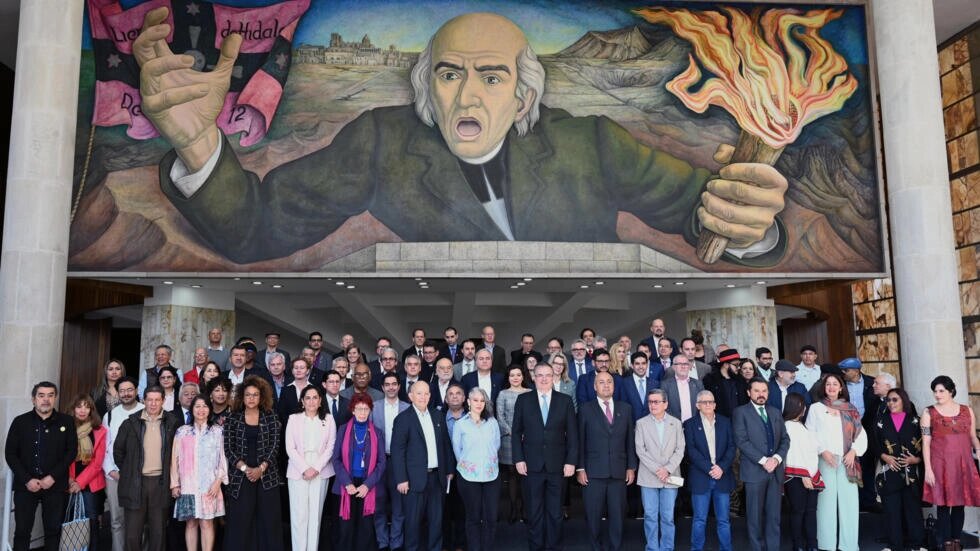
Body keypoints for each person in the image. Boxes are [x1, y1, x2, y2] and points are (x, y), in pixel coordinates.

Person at [512, 363, 578, 550]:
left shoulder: (564, 400)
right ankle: (536, 546)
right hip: (531, 465)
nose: (543, 378)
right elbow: (516, 432)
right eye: (539, 375)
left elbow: (573, 435)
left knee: (555, 512)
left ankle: (553, 546)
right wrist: (518, 458)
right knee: (534, 512)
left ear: (553, 376)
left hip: (558, 466)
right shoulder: (523, 400)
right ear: (533, 376)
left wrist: (571, 461)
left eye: (547, 375)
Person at [5, 382, 77, 551]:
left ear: (55, 398)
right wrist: (27, 479)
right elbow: (10, 454)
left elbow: (71, 452)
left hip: (55, 485)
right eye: (41, 395)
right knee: (22, 531)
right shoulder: (20, 422)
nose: (46, 399)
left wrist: (52, 477)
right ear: (33, 399)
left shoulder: (66, 421)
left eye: (50, 395)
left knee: (53, 530)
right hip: (26, 487)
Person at [114, 385, 181, 551]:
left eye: (157, 400)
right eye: (149, 400)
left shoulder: (172, 423)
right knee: (132, 533)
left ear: (163, 401)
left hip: (161, 483)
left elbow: (179, 454)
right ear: (143, 400)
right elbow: (118, 452)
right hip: (136, 483)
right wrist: (130, 472)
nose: (153, 404)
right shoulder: (130, 423)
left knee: (158, 532)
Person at [805, 373, 866, 551]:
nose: (831, 387)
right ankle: (826, 545)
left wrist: (853, 451)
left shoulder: (850, 409)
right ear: (824, 388)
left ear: (841, 388)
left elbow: (861, 434)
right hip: (825, 460)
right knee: (825, 504)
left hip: (848, 461)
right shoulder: (816, 408)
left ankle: (849, 545)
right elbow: (810, 434)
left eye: (835, 384)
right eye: (828, 384)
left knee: (849, 505)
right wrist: (822, 451)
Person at [577, 371, 637, 551]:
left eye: (609, 382)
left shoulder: (625, 408)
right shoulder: (585, 409)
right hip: (593, 472)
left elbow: (629, 441)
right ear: (595, 387)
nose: (606, 385)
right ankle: (596, 547)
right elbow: (579, 441)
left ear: (614, 385)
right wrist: (580, 468)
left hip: (619, 471)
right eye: (601, 382)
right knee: (593, 516)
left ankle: (615, 547)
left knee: (617, 516)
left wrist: (631, 467)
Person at [223, 376, 284, 551]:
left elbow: (275, 446)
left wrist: (261, 468)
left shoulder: (271, 415)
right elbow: (228, 448)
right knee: (241, 522)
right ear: (242, 396)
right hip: (241, 477)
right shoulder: (233, 417)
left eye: (255, 395)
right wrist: (245, 469)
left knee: (268, 521)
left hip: (267, 477)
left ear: (261, 396)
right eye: (248, 394)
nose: (251, 398)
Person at [391, 381, 454, 551]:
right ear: (411, 396)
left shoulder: (438, 416)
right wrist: (401, 479)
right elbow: (397, 451)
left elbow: (445, 445)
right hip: (413, 481)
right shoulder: (403, 419)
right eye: (419, 393)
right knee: (412, 522)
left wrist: (448, 470)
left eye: (426, 393)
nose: (423, 397)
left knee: (436, 521)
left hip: (437, 478)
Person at [921, 375, 980, 550]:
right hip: (940, 464)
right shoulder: (928, 412)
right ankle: (946, 544)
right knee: (943, 505)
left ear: (951, 391)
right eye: (935, 391)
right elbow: (926, 443)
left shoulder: (967, 410)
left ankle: (956, 542)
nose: (937, 394)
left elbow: (972, 438)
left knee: (960, 504)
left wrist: (978, 450)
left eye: (941, 391)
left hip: (963, 464)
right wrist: (928, 469)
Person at [733, 377, 789, 551]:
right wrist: (765, 461)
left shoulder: (775, 412)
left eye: (764, 391)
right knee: (754, 517)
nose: (761, 394)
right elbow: (742, 441)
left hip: (775, 472)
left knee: (774, 517)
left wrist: (777, 459)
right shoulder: (740, 412)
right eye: (756, 391)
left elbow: (785, 439)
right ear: (749, 393)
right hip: (754, 472)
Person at [170, 395, 227, 551]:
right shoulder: (182, 432)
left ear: (209, 409)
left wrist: (218, 482)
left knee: (207, 522)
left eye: (204, 406)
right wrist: (175, 484)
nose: (201, 410)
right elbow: (174, 459)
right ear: (192, 410)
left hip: (210, 485)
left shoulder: (217, 431)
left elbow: (223, 458)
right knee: (191, 522)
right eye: (197, 406)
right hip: (188, 485)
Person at [332, 394, 387, 550]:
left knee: (366, 529)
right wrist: (347, 483)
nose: (362, 412)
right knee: (345, 529)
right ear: (353, 410)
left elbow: (382, 462)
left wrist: (367, 485)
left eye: (366, 409)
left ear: (370, 410)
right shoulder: (343, 430)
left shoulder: (377, 432)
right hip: (346, 485)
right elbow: (336, 459)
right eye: (359, 409)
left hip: (368, 485)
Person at [285, 385, 337, 551]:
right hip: (298, 468)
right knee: (299, 515)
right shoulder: (293, 418)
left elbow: (331, 446)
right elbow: (289, 447)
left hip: (320, 470)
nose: (312, 401)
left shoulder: (328, 419)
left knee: (315, 516)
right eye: (308, 397)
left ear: (321, 401)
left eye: (315, 397)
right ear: (302, 401)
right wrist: (304, 468)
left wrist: (316, 468)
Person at [874, 388, 925, 551]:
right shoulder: (880, 421)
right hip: (889, 471)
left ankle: (917, 544)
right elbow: (874, 444)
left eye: (895, 400)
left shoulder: (916, 421)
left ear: (904, 400)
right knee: (891, 510)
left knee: (913, 509)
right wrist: (885, 456)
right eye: (888, 400)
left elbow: (926, 446)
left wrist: (916, 459)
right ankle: (894, 545)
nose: (890, 403)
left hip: (911, 472)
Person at [684, 390, 735, 551]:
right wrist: (710, 468)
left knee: (724, 520)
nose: (708, 405)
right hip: (701, 477)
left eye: (710, 402)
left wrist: (721, 467)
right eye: (704, 402)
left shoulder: (726, 422)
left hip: (722, 476)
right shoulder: (689, 424)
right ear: (697, 405)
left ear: (715, 404)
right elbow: (691, 451)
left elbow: (732, 447)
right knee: (699, 519)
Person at [452, 387, 502, 551]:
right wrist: (471, 465)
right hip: (468, 478)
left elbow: (496, 445)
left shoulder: (492, 422)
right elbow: (457, 450)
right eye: (475, 400)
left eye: (482, 400)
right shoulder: (460, 424)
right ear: (468, 402)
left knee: (491, 518)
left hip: (491, 476)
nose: (479, 403)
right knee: (473, 517)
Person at [103, 376, 143, 551]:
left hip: (141, 477)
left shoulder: (146, 410)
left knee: (142, 521)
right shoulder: (110, 415)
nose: (126, 394)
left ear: (136, 391)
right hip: (114, 476)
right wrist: (111, 470)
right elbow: (104, 447)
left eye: (129, 390)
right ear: (117, 393)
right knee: (117, 521)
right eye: (122, 391)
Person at [371, 372, 410, 551]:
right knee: (378, 504)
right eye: (387, 384)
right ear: (382, 387)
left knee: (398, 506)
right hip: (379, 462)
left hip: (399, 463)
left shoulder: (408, 408)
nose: (391, 387)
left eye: (394, 384)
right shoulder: (374, 407)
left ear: (399, 386)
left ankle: (396, 543)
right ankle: (382, 542)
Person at [66, 394, 108, 551]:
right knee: (70, 521)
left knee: (91, 523)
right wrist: (70, 479)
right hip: (68, 482)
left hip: (91, 484)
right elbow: (61, 457)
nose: (82, 410)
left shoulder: (100, 430)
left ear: (91, 410)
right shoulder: (65, 428)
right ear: (73, 409)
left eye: (86, 406)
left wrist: (79, 482)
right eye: (79, 406)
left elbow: (97, 463)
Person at [782, 393, 821, 551]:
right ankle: (798, 545)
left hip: (812, 475)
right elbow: (792, 453)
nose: (804, 408)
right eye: (800, 405)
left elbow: (812, 449)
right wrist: (804, 475)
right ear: (793, 406)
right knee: (798, 511)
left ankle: (812, 544)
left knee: (811, 512)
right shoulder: (787, 425)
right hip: (796, 476)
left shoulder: (803, 426)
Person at [496, 364, 532, 523]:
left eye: (518, 375)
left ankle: (525, 509)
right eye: (512, 375)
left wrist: (526, 433)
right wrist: (513, 433)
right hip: (509, 439)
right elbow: (500, 416)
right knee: (512, 474)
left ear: (523, 376)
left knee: (525, 475)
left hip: (528, 439)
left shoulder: (530, 393)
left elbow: (533, 416)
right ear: (508, 377)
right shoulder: (503, 394)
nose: (515, 378)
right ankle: (513, 508)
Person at [662, 355, 703, 422]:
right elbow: (663, 407)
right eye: (679, 364)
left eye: (685, 364)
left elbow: (702, 405)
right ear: (674, 367)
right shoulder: (665, 385)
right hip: (673, 425)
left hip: (694, 425)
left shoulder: (698, 384)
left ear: (689, 367)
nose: (683, 366)